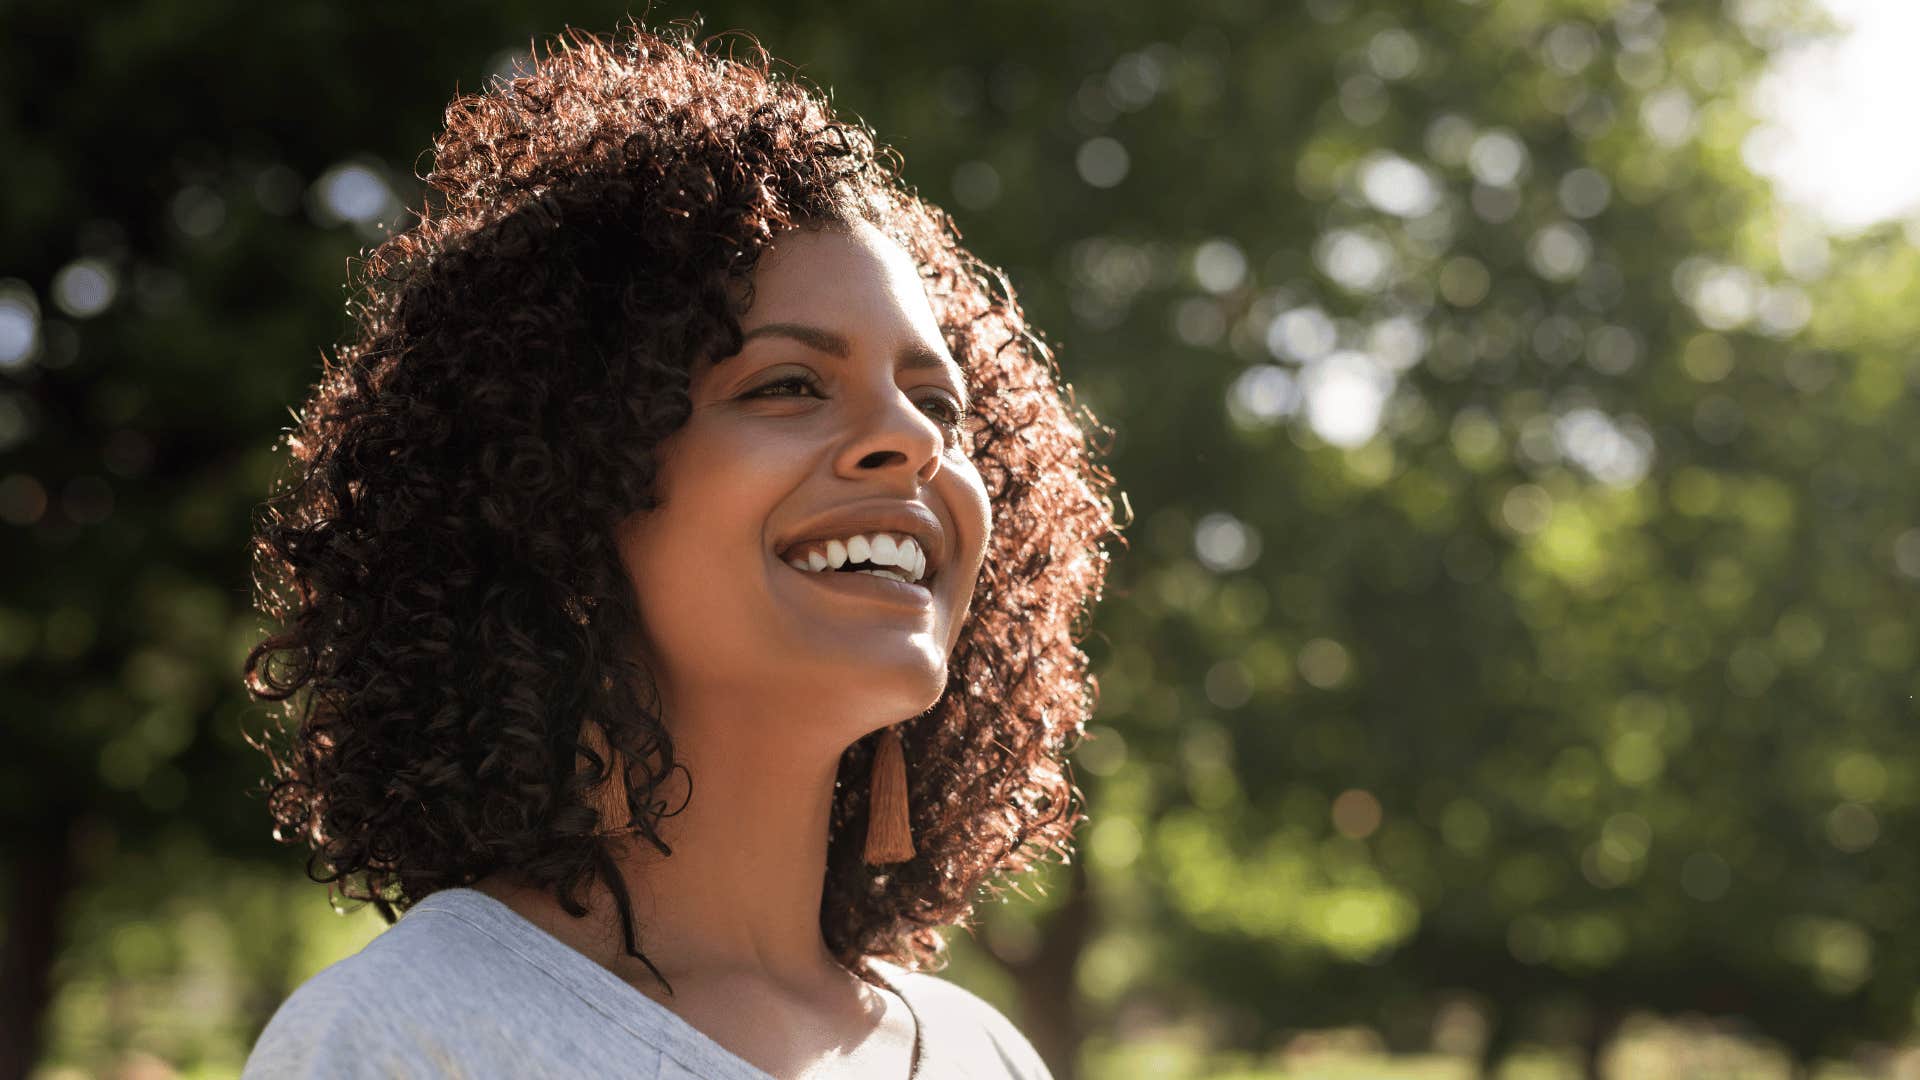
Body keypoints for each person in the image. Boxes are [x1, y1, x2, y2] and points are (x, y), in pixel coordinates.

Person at [238, 16, 1122, 1080]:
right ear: (562, 490)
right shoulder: (414, 1037)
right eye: (787, 385)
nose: (915, 440)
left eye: (941, 401)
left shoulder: (988, 1055)